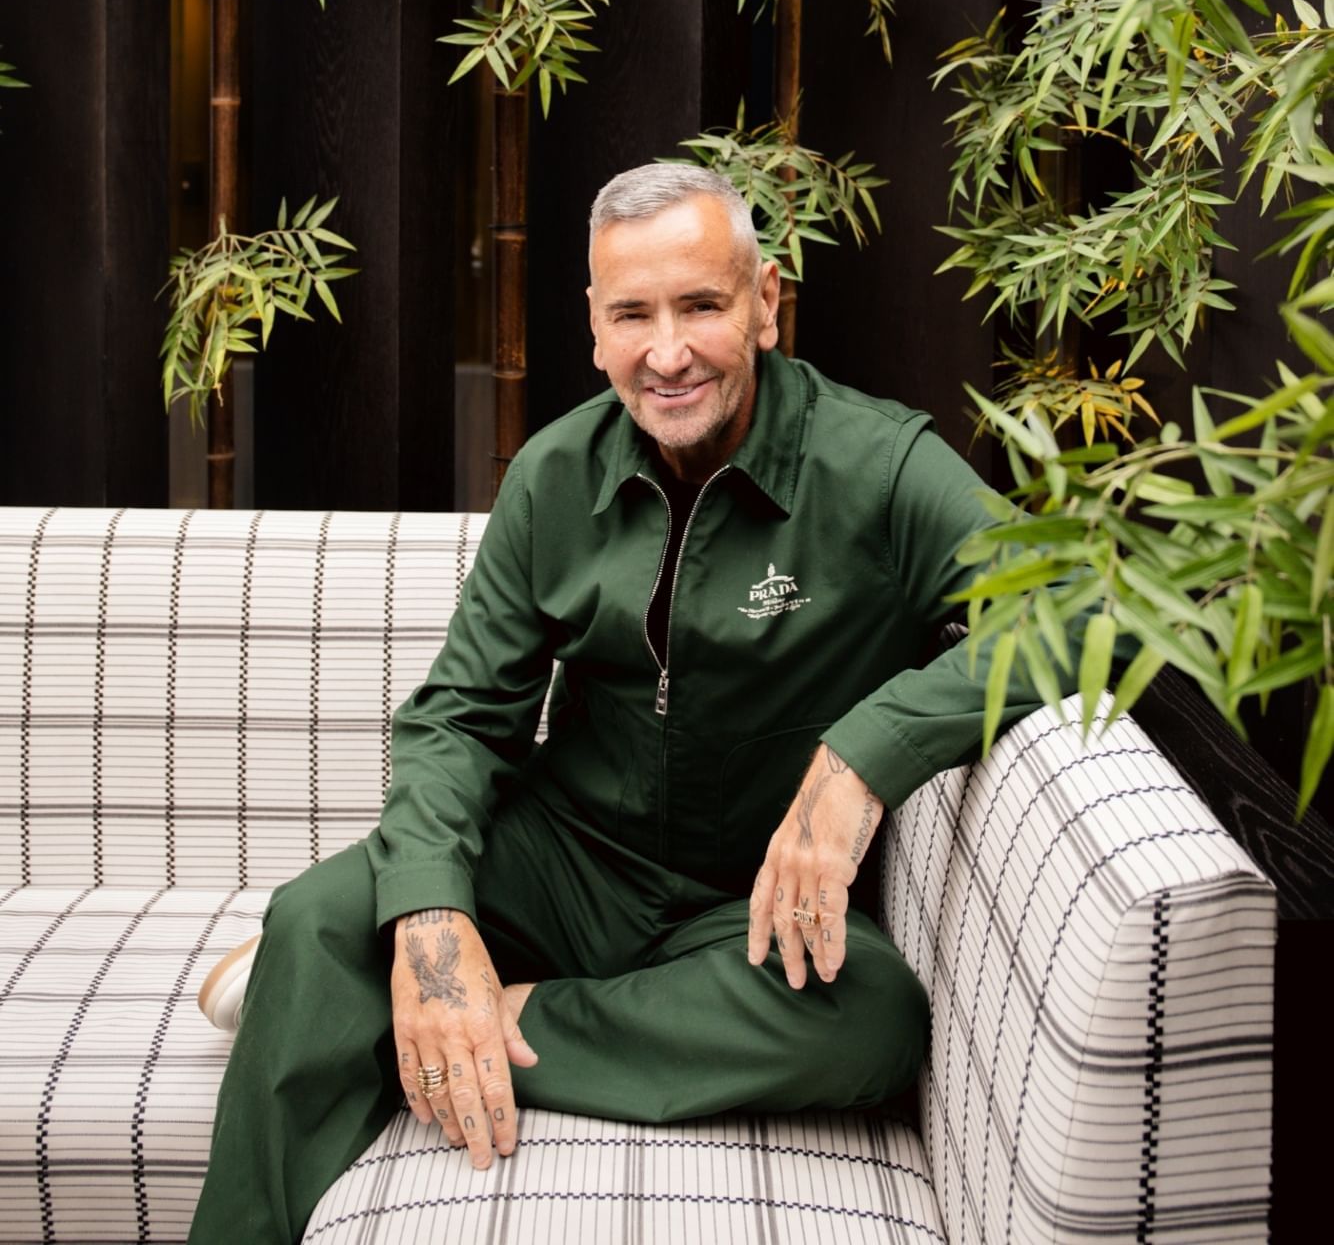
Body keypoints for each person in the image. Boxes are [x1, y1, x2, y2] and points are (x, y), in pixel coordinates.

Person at [189, 163, 1050, 1245]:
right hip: (565, 859)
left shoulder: (879, 466)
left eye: (701, 305)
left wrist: (863, 754)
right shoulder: (553, 473)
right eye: (631, 314)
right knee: (315, 918)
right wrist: (434, 917)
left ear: (765, 303)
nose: (667, 351)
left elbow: (1068, 601)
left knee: (870, 1020)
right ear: (593, 330)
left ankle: (483, 1019)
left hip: (743, 900)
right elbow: (459, 716)